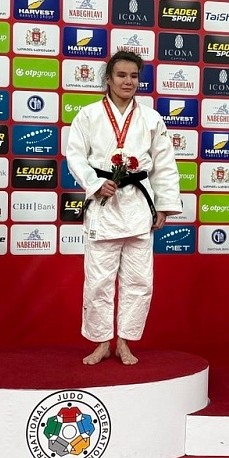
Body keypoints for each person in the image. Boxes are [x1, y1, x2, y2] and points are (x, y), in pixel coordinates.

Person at [65, 50, 181, 366]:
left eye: (133, 76)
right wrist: (94, 183)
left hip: (138, 206)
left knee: (139, 281)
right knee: (98, 281)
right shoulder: (88, 115)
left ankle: (125, 341)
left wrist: (164, 205)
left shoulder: (151, 118)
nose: (128, 81)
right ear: (108, 79)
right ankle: (102, 341)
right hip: (104, 205)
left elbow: (164, 164)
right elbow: (75, 156)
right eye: (121, 75)